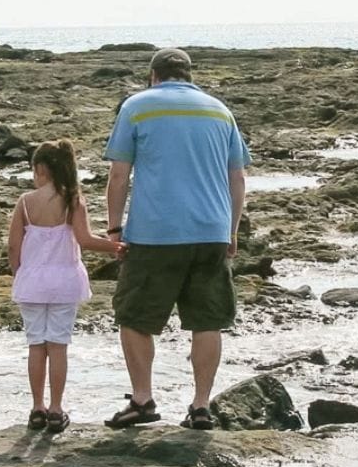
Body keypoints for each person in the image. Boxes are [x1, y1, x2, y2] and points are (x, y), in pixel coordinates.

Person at [103, 48, 251, 430]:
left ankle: (142, 400)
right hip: (211, 232)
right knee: (208, 322)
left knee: (135, 318)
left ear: (153, 75)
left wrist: (115, 228)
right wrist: (231, 231)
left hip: (154, 233)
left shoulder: (137, 107)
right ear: (189, 75)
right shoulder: (220, 111)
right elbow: (238, 178)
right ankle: (201, 406)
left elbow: (119, 175)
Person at [8, 139, 122, 434]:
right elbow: (84, 240)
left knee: (36, 345)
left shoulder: (25, 202)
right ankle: (56, 409)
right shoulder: (73, 199)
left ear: (41, 169)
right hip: (64, 282)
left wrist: (20, 273)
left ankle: (37, 408)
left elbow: (13, 246)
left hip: (32, 282)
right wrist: (117, 246)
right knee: (58, 346)